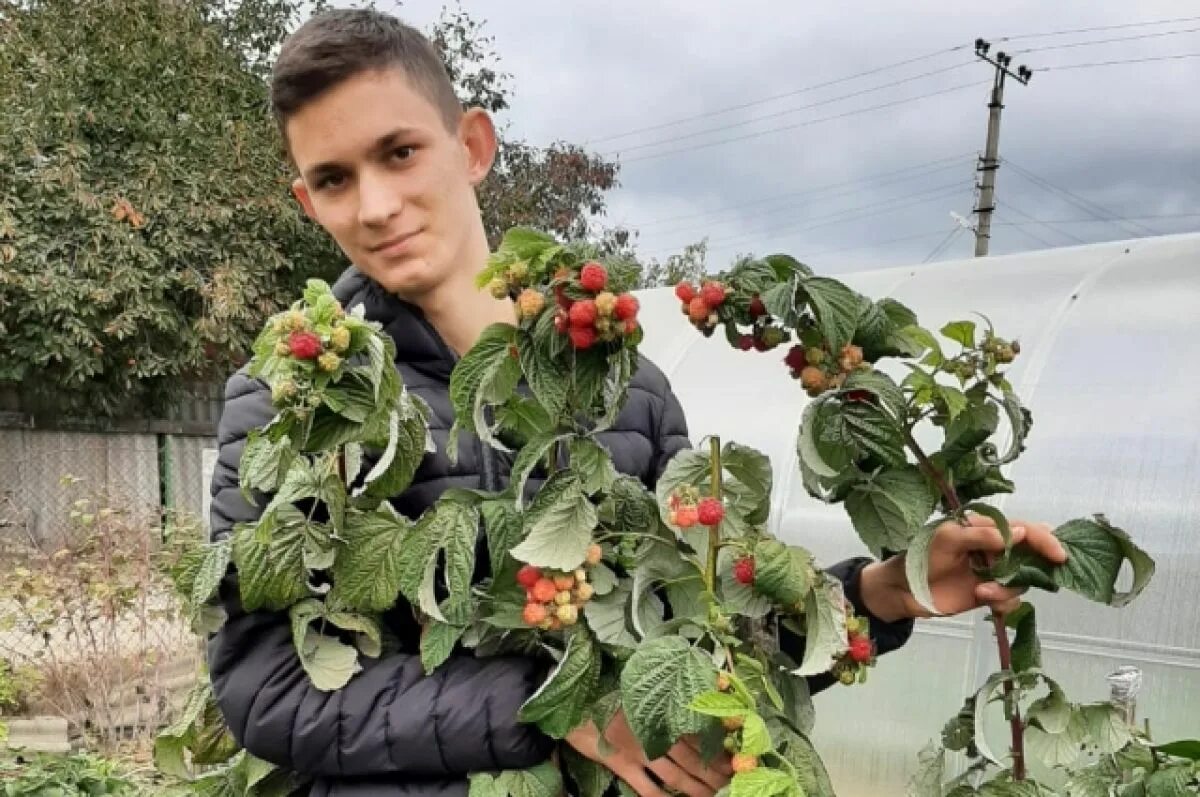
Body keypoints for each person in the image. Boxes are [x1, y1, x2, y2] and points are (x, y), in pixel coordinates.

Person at [206, 9, 1068, 797]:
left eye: (399, 153)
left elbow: (702, 628)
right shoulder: (292, 409)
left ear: (472, 145)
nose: (377, 205)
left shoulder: (628, 388)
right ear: (306, 200)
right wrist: (560, 701)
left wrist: (885, 590)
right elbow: (270, 692)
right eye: (334, 178)